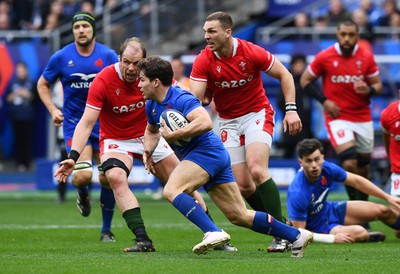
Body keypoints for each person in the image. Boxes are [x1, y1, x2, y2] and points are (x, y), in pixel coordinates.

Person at [54, 37, 235, 252]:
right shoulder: (103, 80)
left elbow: (178, 97)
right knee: (115, 177)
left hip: (150, 134)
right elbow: (86, 122)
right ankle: (143, 240)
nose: (131, 69)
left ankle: (214, 233)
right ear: (118, 58)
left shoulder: (154, 77)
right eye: (126, 62)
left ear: (145, 61)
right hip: (116, 139)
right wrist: (73, 156)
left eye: (136, 63)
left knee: (182, 184)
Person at [138, 55, 313, 256]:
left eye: (142, 80)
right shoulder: (151, 105)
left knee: (172, 190)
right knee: (239, 215)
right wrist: (148, 151)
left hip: (206, 152)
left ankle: (212, 231)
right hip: (213, 155)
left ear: (156, 82)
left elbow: (205, 122)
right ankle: (296, 235)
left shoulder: (181, 98)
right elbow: (151, 131)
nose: (139, 85)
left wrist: (174, 135)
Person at [189, 11, 302, 252]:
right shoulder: (203, 60)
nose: (206, 36)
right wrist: (202, 101)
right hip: (228, 122)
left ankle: (281, 235)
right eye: (204, 32)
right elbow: (195, 99)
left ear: (227, 32)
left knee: (257, 169)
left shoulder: (251, 52)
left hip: (257, 114)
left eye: (211, 31)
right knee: (243, 186)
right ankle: (280, 226)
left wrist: (291, 110)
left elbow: (285, 74)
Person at [37, 11, 118, 242]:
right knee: (82, 177)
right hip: (76, 124)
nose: (81, 30)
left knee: (108, 177)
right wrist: (53, 109)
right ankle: (83, 195)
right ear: (73, 31)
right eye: (76, 27)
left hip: (105, 124)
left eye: (85, 26)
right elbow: (42, 84)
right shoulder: (61, 57)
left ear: (93, 29)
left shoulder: (108, 55)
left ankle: (106, 229)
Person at [300, 19, 383, 230]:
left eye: (351, 35)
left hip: (363, 116)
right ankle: (360, 216)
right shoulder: (325, 56)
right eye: (343, 34)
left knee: (363, 167)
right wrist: (324, 101)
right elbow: (304, 80)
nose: (347, 38)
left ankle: (362, 210)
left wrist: (369, 90)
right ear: (337, 35)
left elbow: (378, 85)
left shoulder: (365, 56)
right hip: (338, 117)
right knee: (348, 164)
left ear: (357, 36)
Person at [286, 138, 400, 243]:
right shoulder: (297, 192)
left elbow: (357, 181)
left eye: (317, 159)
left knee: (383, 210)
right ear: (301, 162)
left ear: (322, 157)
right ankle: (364, 237)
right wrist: (331, 239)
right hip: (318, 228)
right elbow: (299, 233)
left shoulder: (327, 168)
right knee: (360, 232)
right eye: (308, 161)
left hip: (330, 210)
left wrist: (387, 197)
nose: (314, 165)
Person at [277, 54, 314, 158]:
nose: (300, 67)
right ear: (292, 65)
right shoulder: (287, 81)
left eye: (302, 64)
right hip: (291, 125)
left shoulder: (305, 82)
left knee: (306, 154)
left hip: (305, 126)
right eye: (298, 64)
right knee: (288, 152)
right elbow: (280, 102)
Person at [6, 62, 36, 172]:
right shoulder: (13, 82)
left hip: (28, 116)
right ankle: (19, 163)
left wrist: (25, 94)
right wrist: (16, 94)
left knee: (27, 140)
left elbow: (35, 98)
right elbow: (7, 99)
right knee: (18, 140)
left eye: (22, 70)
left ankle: (27, 163)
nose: (20, 73)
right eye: (18, 71)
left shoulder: (31, 82)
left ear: (26, 70)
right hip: (15, 116)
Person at [380, 100, 400, 202]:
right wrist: (391, 159)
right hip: (398, 172)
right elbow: (386, 136)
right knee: (396, 212)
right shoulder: (388, 114)